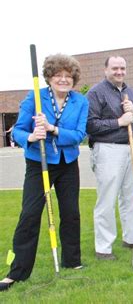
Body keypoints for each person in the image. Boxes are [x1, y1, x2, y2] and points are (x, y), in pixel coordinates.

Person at [0, 54, 88, 292]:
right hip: (39, 164)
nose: (63, 80)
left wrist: (52, 129)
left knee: (71, 213)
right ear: (49, 77)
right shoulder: (35, 97)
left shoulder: (80, 102)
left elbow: (79, 134)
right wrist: (31, 136)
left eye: (68, 76)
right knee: (29, 214)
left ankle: (72, 261)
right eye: (58, 75)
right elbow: (17, 130)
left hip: (67, 163)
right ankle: (17, 271)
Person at [86, 56, 133, 260]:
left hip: (132, 147)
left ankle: (131, 239)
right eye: (115, 68)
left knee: (132, 196)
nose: (119, 72)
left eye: (122, 68)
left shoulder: (131, 92)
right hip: (108, 149)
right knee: (107, 199)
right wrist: (119, 122)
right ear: (106, 70)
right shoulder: (96, 93)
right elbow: (90, 125)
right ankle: (103, 248)